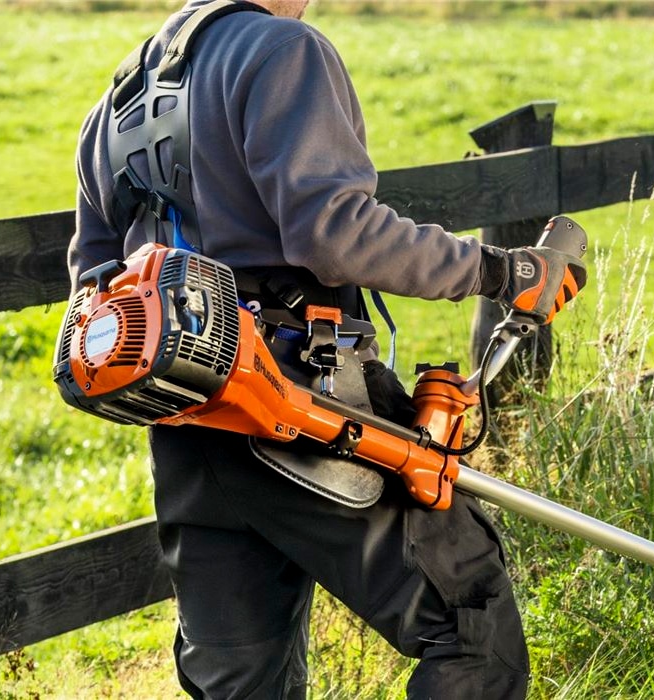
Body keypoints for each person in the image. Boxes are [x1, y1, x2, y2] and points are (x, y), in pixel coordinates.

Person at [68, 0, 586, 698]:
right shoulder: (283, 50)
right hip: (301, 404)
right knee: (470, 624)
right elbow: (334, 234)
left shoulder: (113, 105)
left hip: (187, 434)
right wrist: (501, 272)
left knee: (240, 683)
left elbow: (91, 287)